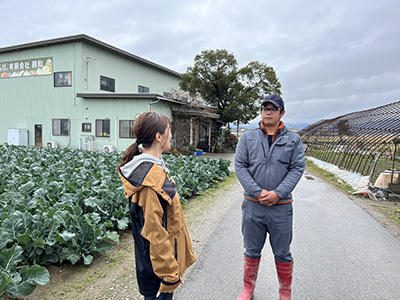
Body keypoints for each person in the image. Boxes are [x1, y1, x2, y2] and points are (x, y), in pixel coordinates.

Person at [118, 111, 196, 300]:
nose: (171, 135)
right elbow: (155, 234)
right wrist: (169, 275)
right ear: (158, 137)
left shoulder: (153, 169)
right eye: (169, 131)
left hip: (157, 267)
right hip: (158, 274)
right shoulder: (150, 180)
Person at [235, 94, 305, 300]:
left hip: (281, 207)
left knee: (283, 252)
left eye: (273, 109)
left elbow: (297, 168)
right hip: (252, 205)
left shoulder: (293, 140)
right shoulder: (248, 137)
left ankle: (285, 292)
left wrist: (278, 193)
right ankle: (248, 289)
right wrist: (257, 192)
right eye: (265, 108)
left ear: (282, 113)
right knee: (251, 249)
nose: (267, 111)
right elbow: (240, 166)